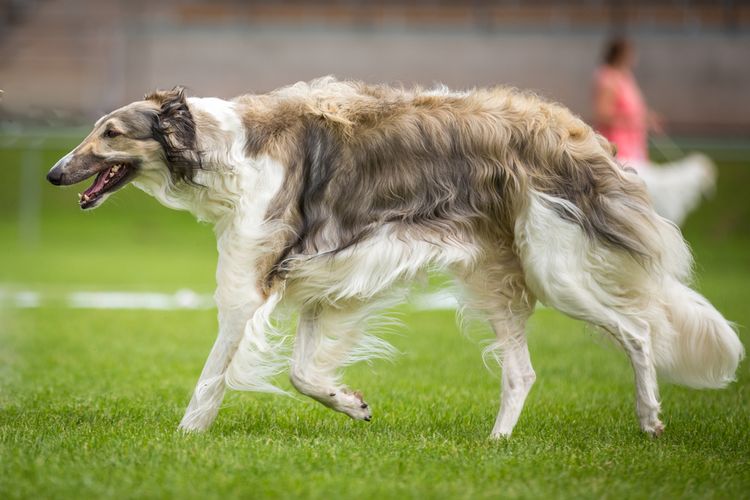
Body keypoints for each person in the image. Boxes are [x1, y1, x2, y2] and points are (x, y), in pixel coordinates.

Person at [593, 37, 716, 226]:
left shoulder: (625, 77)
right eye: (630, 54)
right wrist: (637, 121)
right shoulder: (608, 78)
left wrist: (647, 119)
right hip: (618, 148)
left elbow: (633, 110)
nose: (634, 58)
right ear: (620, 54)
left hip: (634, 145)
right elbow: (604, 114)